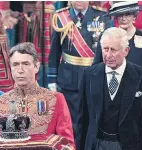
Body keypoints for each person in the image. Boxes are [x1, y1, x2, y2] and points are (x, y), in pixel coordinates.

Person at [80, 27, 142, 150]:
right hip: (96, 144)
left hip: (130, 145)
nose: (109, 55)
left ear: (126, 51)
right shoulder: (89, 75)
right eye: (105, 49)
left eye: (114, 50)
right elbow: (82, 119)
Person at [0, 42, 76, 148]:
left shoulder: (56, 99)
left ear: (36, 66)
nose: (20, 70)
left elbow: (67, 144)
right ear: (10, 68)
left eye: (26, 64)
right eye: (15, 65)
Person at [47, 1, 109, 149]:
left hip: (94, 76)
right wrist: (52, 80)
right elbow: (54, 52)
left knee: (93, 120)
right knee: (72, 122)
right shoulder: (61, 17)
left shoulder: (102, 17)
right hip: (69, 78)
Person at [93, 1, 142, 73]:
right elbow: (96, 67)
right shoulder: (106, 36)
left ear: (134, 17)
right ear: (116, 17)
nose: (123, 18)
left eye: (128, 15)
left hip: (137, 83)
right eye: (120, 15)